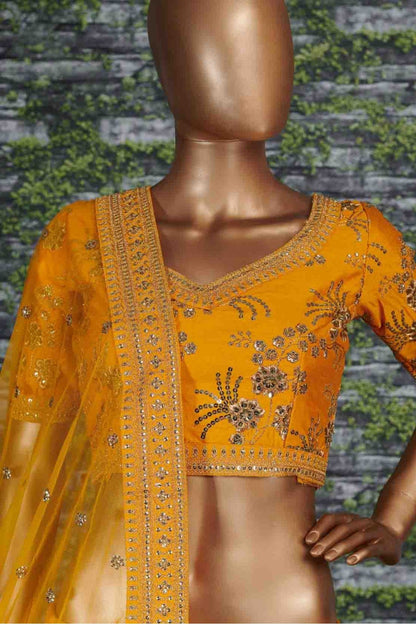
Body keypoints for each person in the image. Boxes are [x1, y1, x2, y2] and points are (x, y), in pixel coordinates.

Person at [1, 1, 416, 622]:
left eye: (272, 42)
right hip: (107, 592)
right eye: (225, 42)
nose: (260, 68)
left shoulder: (351, 239)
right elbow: (28, 447)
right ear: (172, 61)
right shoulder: (83, 237)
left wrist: (394, 518)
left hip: (277, 594)